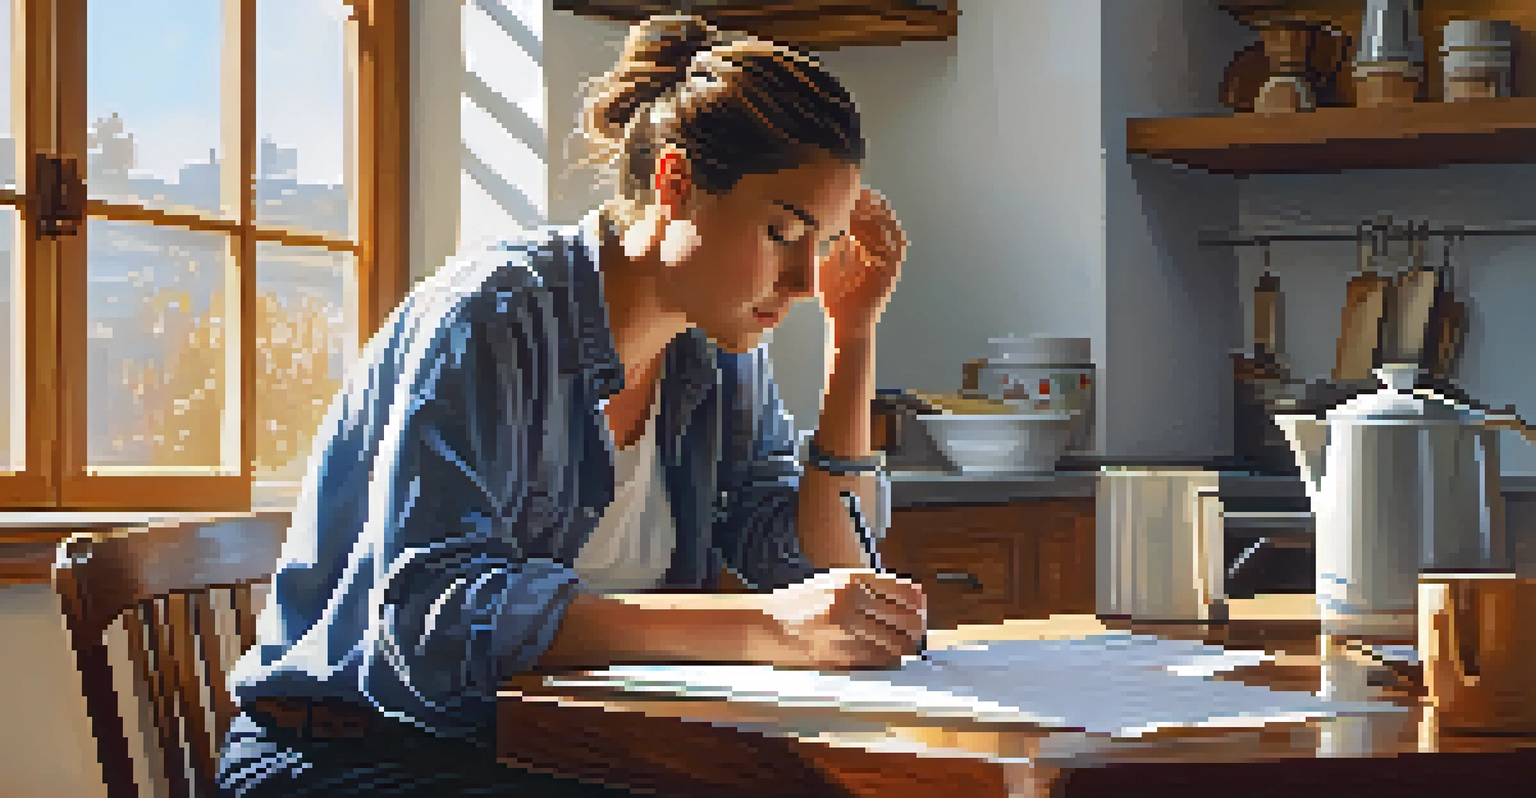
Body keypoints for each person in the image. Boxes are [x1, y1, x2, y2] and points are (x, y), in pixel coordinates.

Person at [216, 13, 926, 797]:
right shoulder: (490, 317)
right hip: (355, 758)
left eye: (820, 245)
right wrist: (762, 627)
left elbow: (816, 566)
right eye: (782, 231)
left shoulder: (716, 352)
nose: (800, 282)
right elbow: (437, 621)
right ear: (676, 184)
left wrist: (853, 336)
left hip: (554, 751)